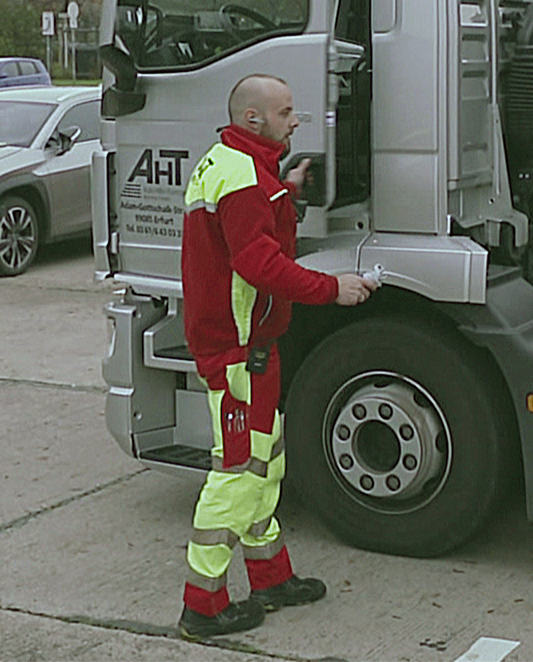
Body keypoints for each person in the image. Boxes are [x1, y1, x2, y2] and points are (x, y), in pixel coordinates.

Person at [176, 72, 375, 640]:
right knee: (238, 473)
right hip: (239, 350)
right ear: (254, 119)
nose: (296, 120)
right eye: (287, 112)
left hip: (251, 346)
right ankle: (203, 606)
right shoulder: (242, 177)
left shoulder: (236, 165)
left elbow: (248, 229)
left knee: (265, 464)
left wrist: (282, 186)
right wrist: (331, 288)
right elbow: (257, 264)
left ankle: (269, 578)